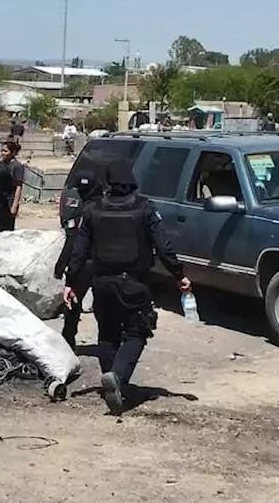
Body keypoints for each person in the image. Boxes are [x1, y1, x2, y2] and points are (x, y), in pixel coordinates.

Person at [65, 159, 189, 415]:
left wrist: (71, 284)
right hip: (135, 282)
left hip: (102, 284)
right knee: (137, 331)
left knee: (107, 334)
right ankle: (118, 378)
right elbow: (163, 246)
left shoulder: (92, 209)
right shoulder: (145, 208)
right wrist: (179, 275)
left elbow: (79, 251)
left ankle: (113, 381)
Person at [54, 169, 102, 348]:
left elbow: (74, 243)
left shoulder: (83, 212)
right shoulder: (106, 206)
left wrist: (64, 270)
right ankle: (107, 342)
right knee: (102, 306)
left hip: (85, 264)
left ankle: (68, 340)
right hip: (103, 264)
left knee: (73, 302)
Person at [1, 141, 26, 230]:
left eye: (5, 151)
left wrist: (14, 205)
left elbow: (19, 186)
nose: (3, 153)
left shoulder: (17, 166)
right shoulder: (1, 164)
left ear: (13, 152)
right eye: (2, 151)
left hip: (10, 199)